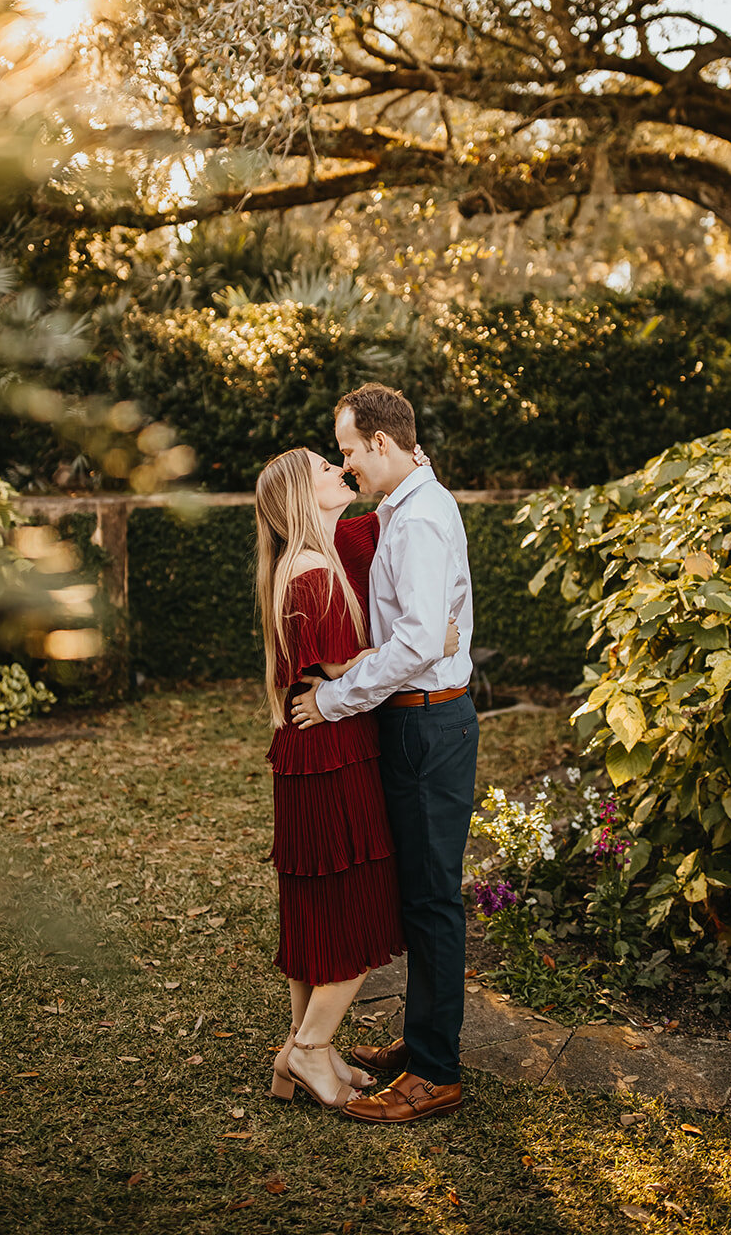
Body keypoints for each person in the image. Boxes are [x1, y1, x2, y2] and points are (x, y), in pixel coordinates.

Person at [293, 383, 477, 1124]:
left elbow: (413, 643)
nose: (346, 465)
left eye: (347, 450)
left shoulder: (420, 520)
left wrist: (333, 700)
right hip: (411, 720)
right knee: (416, 896)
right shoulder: (400, 511)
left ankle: (436, 1071)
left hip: (429, 726)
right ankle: (420, 1044)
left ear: (379, 442)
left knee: (432, 902)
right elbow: (416, 631)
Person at [254, 445, 458, 1110]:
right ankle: (306, 1050)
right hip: (335, 751)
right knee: (357, 913)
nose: (337, 470)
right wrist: (435, 641)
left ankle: (300, 1053)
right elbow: (347, 665)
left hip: (306, 755)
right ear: (298, 497)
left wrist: (406, 467)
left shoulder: (303, 558)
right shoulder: (314, 572)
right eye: (323, 467)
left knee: (315, 912)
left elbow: (385, 524)